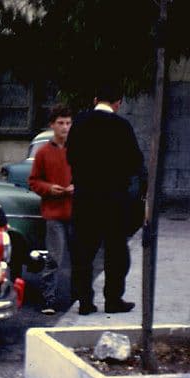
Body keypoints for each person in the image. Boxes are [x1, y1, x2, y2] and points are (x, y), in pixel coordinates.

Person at [66, 83, 144, 315]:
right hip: (114, 200)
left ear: (95, 99)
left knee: (83, 253)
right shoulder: (122, 126)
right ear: (118, 103)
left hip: (85, 198)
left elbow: (70, 156)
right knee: (116, 251)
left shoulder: (79, 123)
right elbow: (135, 162)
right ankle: (113, 299)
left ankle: (85, 301)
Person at [28, 104, 73, 315]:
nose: (65, 127)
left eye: (68, 123)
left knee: (80, 259)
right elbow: (34, 181)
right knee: (54, 258)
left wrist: (78, 187)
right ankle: (49, 299)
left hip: (76, 212)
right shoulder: (43, 152)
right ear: (52, 125)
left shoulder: (78, 149)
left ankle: (81, 298)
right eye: (61, 123)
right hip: (54, 213)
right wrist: (49, 188)